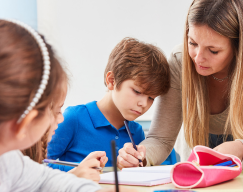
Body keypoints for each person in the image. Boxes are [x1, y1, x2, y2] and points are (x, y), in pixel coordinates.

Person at [0, 19, 147, 192]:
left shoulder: (7, 158)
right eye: (56, 110)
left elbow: (40, 184)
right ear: (26, 122)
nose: (60, 118)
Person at [118, 0, 243, 169]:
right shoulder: (179, 59)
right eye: (192, 43)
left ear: (239, 46)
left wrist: (238, 149)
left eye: (213, 50)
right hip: (198, 160)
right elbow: (161, 139)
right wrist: (140, 156)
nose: (198, 58)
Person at [48, 38, 175, 170]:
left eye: (151, 98)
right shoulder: (74, 118)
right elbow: (39, 165)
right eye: (137, 91)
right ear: (112, 81)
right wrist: (78, 172)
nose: (143, 104)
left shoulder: (136, 133)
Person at [22, 75, 107, 182]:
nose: (62, 119)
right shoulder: (10, 161)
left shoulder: (26, 156)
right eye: (57, 111)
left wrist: (80, 168)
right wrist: (74, 175)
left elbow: (40, 181)